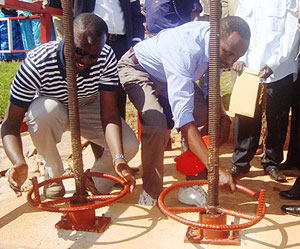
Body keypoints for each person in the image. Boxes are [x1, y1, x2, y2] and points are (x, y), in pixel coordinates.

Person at [1, 13, 139, 198]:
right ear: (67, 38)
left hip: (88, 104)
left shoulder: (106, 57)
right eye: (80, 51)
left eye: (93, 56)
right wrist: (19, 162)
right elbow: (10, 124)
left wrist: (118, 159)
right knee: (42, 112)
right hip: (53, 108)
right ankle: (53, 174)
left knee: (128, 145)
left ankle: (94, 180)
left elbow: (109, 115)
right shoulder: (37, 62)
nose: (86, 61)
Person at [118, 16, 251, 205]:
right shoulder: (185, 49)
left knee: (208, 117)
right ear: (215, 37)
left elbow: (210, 86)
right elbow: (184, 122)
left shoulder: (221, 45)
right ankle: (151, 192)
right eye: (227, 54)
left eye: (236, 57)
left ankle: (191, 186)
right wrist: (214, 168)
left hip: (171, 75)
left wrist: (220, 113)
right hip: (140, 70)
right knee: (156, 124)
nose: (231, 62)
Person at [229, 0, 300, 182]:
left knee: (276, 118)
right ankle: (240, 162)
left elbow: (292, 32)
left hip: (279, 68)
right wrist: (241, 56)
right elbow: (240, 26)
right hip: (250, 66)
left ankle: (272, 163)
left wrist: (274, 63)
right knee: (245, 116)